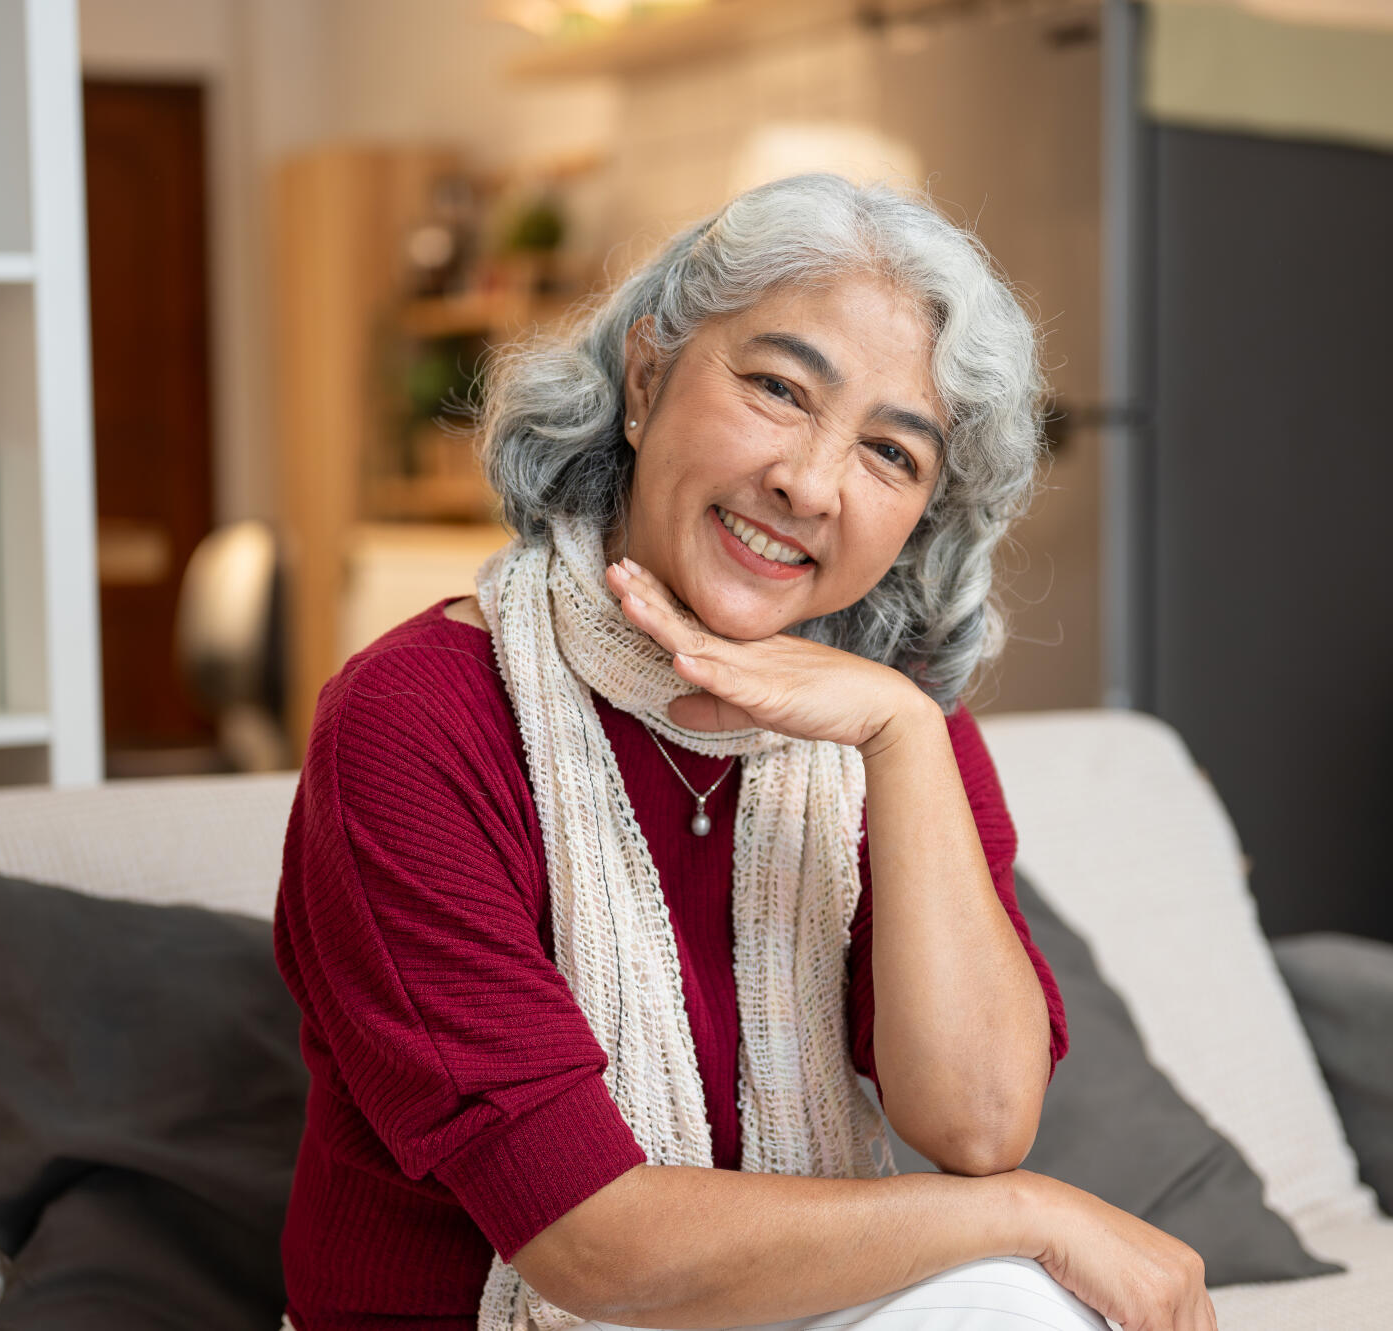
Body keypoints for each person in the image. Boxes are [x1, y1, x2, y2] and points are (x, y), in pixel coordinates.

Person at [272, 172, 1218, 1331]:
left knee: (1022, 1311)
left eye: (890, 454)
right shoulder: (413, 718)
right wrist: (1024, 1213)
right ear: (645, 376)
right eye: (777, 388)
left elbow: (974, 1122)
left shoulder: (886, 718)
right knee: (1022, 1272)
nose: (808, 483)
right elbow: (595, 1248)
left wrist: (907, 738)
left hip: (777, 1312)